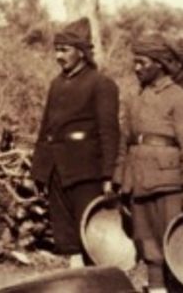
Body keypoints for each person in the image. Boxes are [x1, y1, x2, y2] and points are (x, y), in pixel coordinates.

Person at [30, 17, 120, 268]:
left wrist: (109, 176)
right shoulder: (56, 85)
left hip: (86, 174)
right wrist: (39, 171)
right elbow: (45, 130)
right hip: (58, 172)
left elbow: (109, 132)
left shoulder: (101, 84)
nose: (58, 56)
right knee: (67, 238)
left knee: (91, 236)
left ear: (81, 52)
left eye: (64, 50)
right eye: (56, 50)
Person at [113, 35, 183, 293]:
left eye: (142, 62)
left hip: (169, 185)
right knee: (148, 246)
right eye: (135, 62)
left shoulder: (179, 98)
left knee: (175, 246)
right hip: (138, 181)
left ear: (159, 64)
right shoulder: (134, 99)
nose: (137, 68)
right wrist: (119, 178)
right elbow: (125, 142)